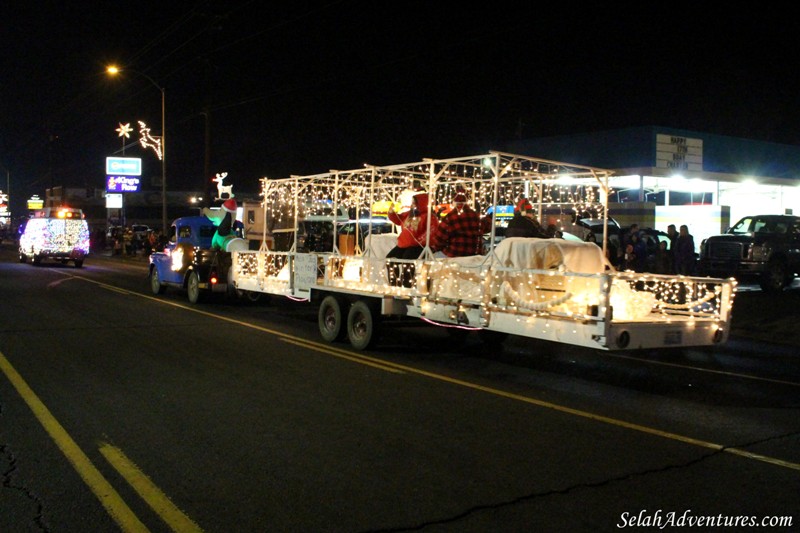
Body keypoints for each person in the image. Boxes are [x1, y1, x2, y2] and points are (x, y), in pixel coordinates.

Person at [386, 192, 438, 287]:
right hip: (403, 244)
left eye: (414, 203)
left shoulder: (429, 216)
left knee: (407, 262)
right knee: (390, 259)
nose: (412, 205)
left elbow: (431, 232)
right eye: (412, 202)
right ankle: (394, 284)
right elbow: (398, 220)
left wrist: (417, 241)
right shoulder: (409, 214)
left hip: (417, 246)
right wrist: (391, 213)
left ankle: (407, 285)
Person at [431, 190, 482, 257]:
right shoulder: (475, 215)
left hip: (455, 253)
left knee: (431, 257)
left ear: (454, 201)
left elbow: (439, 238)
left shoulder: (450, 217)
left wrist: (435, 248)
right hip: (474, 253)